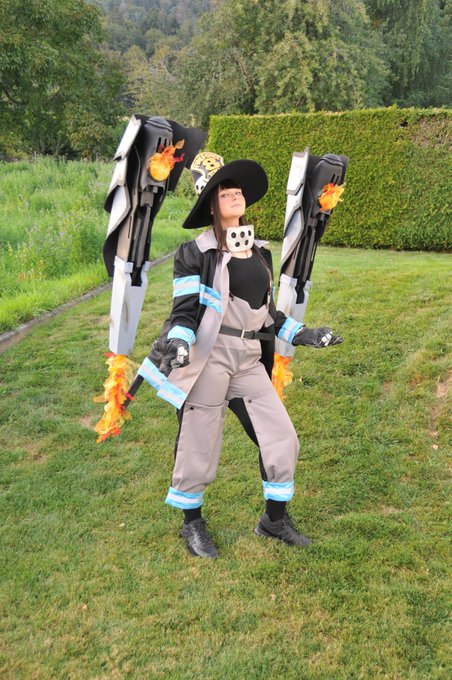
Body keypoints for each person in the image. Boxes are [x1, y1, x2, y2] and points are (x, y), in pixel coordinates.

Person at [140, 152, 343, 558]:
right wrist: (179, 342)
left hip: (248, 360)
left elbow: (268, 315)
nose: (235, 195)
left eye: (237, 191)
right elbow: (183, 312)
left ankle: (274, 521)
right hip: (208, 359)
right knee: (198, 443)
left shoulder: (260, 254)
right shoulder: (194, 253)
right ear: (211, 206)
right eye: (224, 192)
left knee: (280, 437)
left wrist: (303, 334)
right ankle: (192, 524)